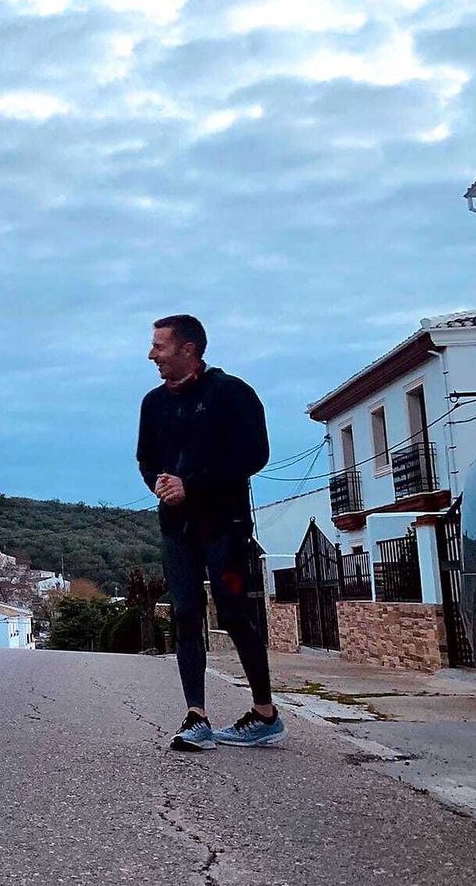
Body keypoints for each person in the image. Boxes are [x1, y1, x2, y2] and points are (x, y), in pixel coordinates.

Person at [137, 314, 283, 751]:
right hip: (176, 528)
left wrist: (192, 485)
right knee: (185, 615)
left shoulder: (232, 394)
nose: (151, 355)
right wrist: (160, 486)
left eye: (159, 347)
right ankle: (196, 717)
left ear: (188, 348)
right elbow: (145, 458)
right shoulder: (153, 403)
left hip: (226, 526)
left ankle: (264, 713)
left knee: (235, 614)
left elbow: (256, 454)